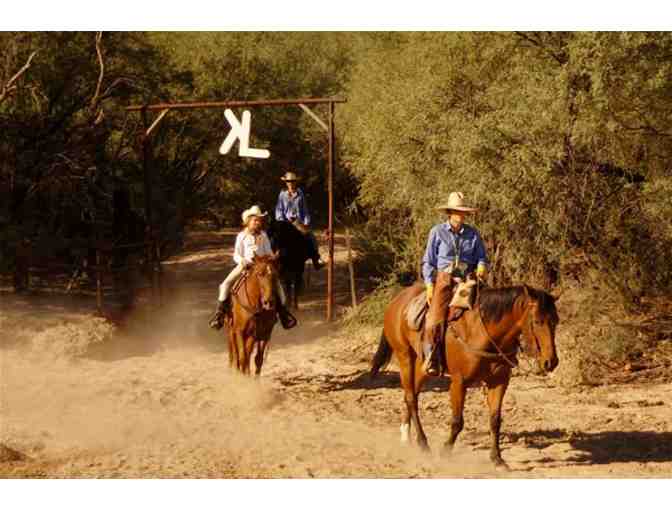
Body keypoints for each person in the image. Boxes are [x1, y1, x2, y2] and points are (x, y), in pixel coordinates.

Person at [421, 192, 489, 376]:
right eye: (457, 211)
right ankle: (432, 357)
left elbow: (482, 256)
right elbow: (428, 261)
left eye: (463, 212)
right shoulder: (437, 232)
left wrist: (481, 267)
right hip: (445, 280)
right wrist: (429, 284)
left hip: (468, 280)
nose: (460, 215)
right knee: (433, 320)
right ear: (449, 212)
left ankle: (489, 356)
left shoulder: (473, 233)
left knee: (489, 310)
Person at [209, 205, 296, 331]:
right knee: (225, 284)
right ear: (248, 221)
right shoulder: (241, 236)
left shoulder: (264, 235)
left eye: (259, 220)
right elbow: (236, 254)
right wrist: (242, 261)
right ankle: (220, 314)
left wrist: (273, 256)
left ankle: (284, 314)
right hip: (245, 266)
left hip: (262, 268)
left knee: (277, 285)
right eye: (255, 220)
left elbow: (268, 251)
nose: (258, 223)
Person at [274, 171, 324, 270]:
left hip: (298, 222)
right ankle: (273, 259)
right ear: (286, 182)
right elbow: (279, 210)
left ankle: (316, 259)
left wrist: (306, 221)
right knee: (274, 238)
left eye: (292, 181)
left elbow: (304, 209)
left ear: (295, 182)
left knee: (310, 236)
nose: (291, 183)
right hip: (285, 222)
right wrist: (282, 219)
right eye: (289, 181)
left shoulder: (300, 193)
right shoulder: (282, 194)